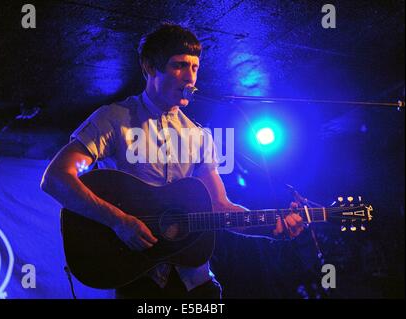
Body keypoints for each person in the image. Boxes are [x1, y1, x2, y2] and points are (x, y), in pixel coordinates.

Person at [40, 23, 304, 299]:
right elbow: (57, 178)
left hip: (195, 282)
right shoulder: (114, 119)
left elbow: (219, 207)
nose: (190, 78)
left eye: (194, 67)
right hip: (136, 277)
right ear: (149, 68)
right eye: (179, 65)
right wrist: (118, 221)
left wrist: (270, 228)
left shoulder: (200, 137)